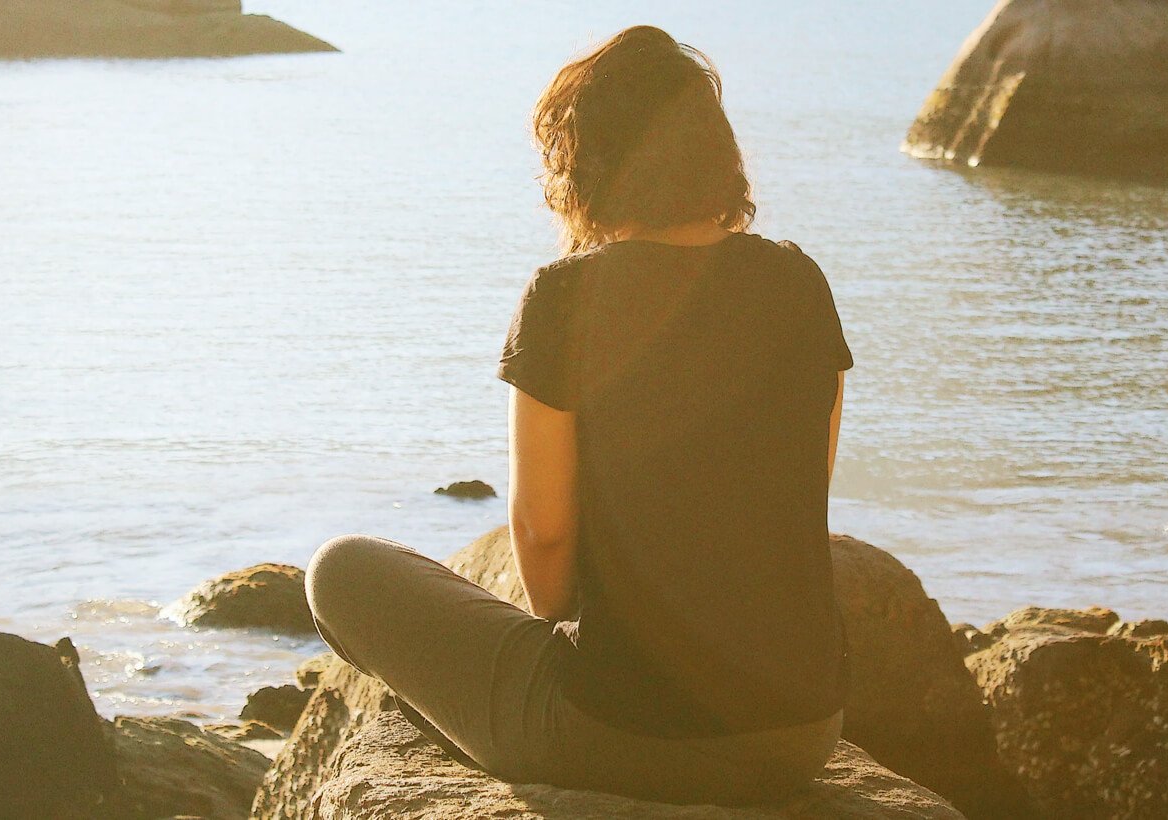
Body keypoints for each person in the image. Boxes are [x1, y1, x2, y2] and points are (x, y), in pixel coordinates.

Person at [304, 24, 853, 806]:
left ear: (583, 165)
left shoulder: (563, 298)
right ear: (717, 152)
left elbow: (551, 575)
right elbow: (803, 490)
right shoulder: (801, 283)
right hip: (803, 732)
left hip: (627, 735)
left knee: (341, 570)